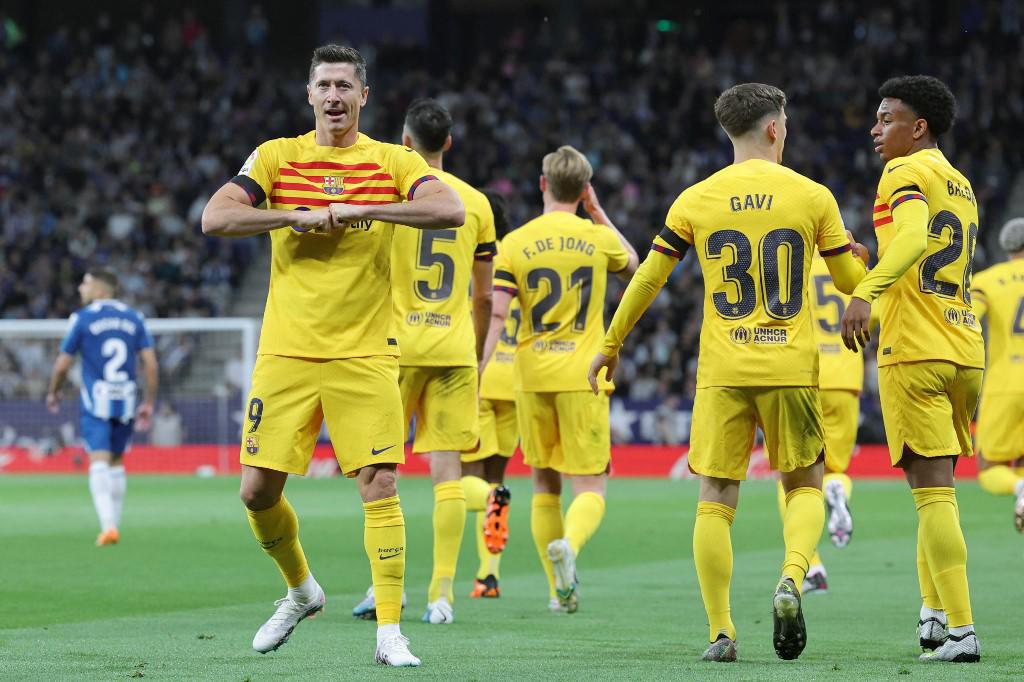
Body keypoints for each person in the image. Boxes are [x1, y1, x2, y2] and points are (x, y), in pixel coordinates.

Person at [201, 44, 464, 667]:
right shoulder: (275, 156)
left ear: (363, 96)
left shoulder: (392, 160)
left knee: (380, 484)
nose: (335, 95)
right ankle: (300, 590)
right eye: (324, 84)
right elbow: (215, 217)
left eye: (346, 84)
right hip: (286, 352)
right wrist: (290, 215)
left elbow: (448, 207)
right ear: (310, 94)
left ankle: (390, 631)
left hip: (365, 351)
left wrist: (364, 208)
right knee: (256, 493)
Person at [590, 83, 868, 663]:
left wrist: (612, 343)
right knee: (805, 485)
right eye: (785, 126)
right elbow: (846, 283)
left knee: (715, 497)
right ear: (773, 129)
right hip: (790, 365)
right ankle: (792, 576)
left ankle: (721, 632)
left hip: (723, 368)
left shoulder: (696, 199)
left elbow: (648, 279)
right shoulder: (813, 196)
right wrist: (863, 269)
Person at [841, 75, 984, 663]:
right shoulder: (963, 183)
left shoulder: (903, 172)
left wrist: (864, 291)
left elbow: (918, 238)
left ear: (916, 127)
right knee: (939, 492)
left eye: (886, 119)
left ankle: (962, 630)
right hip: (964, 347)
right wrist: (870, 266)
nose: (875, 130)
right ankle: (931, 615)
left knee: (931, 498)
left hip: (917, 350)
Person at [351, 98, 496, 625]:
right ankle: (442, 594)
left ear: (404, 143)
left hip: (393, 348)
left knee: (377, 472)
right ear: (449, 144)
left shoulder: (389, 198)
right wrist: (477, 353)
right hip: (455, 348)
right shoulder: (477, 204)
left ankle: (382, 588)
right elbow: (484, 297)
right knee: (448, 475)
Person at [481, 145, 639, 614]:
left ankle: (557, 590)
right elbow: (634, 263)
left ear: (542, 184)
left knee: (544, 484)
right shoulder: (597, 238)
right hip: (582, 374)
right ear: (584, 189)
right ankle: (569, 545)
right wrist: (597, 211)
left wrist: (479, 368)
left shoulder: (516, 243)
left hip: (529, 376)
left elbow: (497, 315)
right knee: (591, 487)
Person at [777, 252, 870, 595]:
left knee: (793, 476)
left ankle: (811, 565)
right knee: (836, 469)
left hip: (805, 375)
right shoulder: (853, 265)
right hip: (846, 378)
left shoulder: (792, 258)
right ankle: (837, 492)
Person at [46, 270, 158, 546]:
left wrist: (53, 391)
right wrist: (149, 402)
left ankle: (108, 527)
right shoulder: (135, 318)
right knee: (117, 462)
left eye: (84, 283)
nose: (79, 288)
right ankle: (113, 525)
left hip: (96, 401)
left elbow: (62, 365)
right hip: (127, 400)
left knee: (98, 461)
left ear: (100, 290)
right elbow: (151, 365)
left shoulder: (82, 318)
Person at [464, 189, 518, 599]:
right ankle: (488, 577)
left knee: (463, 481)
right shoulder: (517, 257)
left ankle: (491, 496)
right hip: (515, 382)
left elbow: (478, 309)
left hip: (480, 377)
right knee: (497, 479)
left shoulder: (474, 258)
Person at [969, 217, 1024, 529]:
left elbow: (969, 322)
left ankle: (1019, 490)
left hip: (1005, 383)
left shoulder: (987, 281)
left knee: (990, 468)